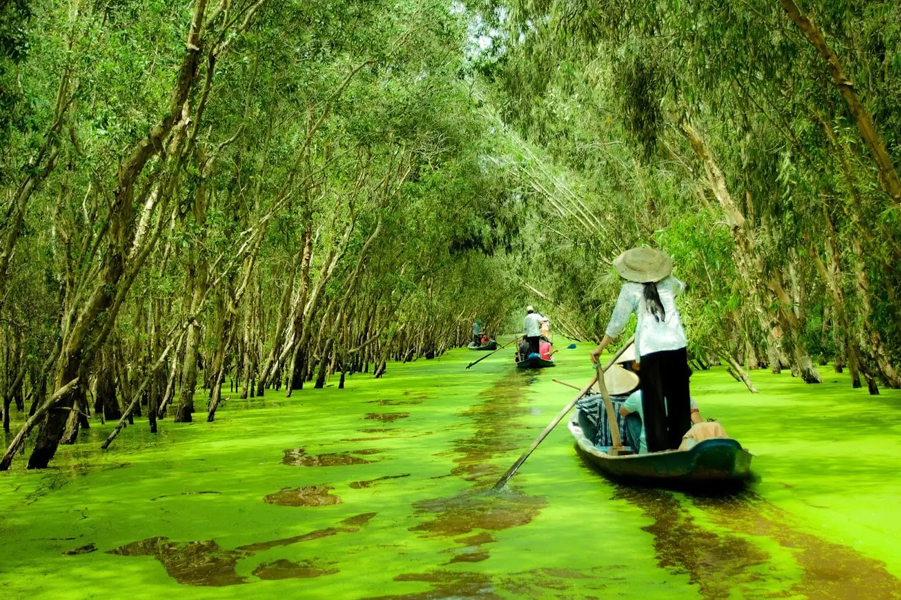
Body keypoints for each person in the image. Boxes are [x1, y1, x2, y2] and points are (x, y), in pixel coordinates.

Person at [589, 247, 691, 453]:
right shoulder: (670, 282)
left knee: (653, 405)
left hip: (651, 349)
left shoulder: (630, 290)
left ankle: (659, 452)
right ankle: (682, 446)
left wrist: (600, 348)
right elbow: (683, 287)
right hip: (677, 345)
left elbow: (618, 321)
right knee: (679, 400)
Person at [619, 390, 702, 454]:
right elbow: (699, 424)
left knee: (630, 415)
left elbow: (622, 412)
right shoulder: (686, 397)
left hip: (648, 449)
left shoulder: (638, 395)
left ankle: (635, 452)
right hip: (682, 448)